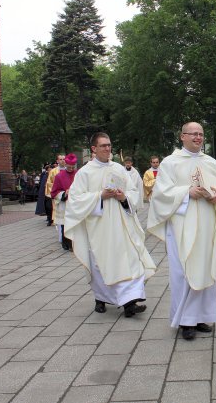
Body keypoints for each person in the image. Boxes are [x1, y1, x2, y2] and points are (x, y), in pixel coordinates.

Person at [147, 122, 216, 340]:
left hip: (207, 225)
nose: (198, 137)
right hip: (182, 227)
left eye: (201, 134)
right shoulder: (170, 163)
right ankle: (185, 321)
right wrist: (186, 192)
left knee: (206, 269)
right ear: (182, 136)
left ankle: (202, 316)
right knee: (183, 272)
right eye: (193, 134)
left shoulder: (210, 162)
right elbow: (160, 195)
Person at [64, 132, 157, 317]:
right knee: (101, 263)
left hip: (122, 225)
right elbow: (75, 200)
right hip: (99, 227)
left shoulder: (119, 169)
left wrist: (124, 197)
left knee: (129, 260)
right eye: (103, 145)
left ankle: (130, 303)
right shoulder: (85, 172)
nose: (108, 149)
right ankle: (101, 298)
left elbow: (133, 191)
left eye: (109, 145)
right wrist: (100, 196)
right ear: (94, 148)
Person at [50, 153, 78, 251]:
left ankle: (76, 243)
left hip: (76, 204)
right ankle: (67, 244)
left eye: (73, 167)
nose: (71, 168)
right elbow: (54, 192)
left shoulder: (78, 174)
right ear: (65, 165)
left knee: (76, 224)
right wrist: (64, 194)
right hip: (65, 204)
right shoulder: (59, 176)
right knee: (65, 224)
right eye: (69, 166)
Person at [45, 155, 66, 226]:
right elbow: (49, 182)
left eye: (64, 159)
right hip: (57, 193)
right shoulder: (53, 171)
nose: (62, 160)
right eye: (60, 159)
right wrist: (55, 190)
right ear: (57, 161)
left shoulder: (69, 170)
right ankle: (55, 220)